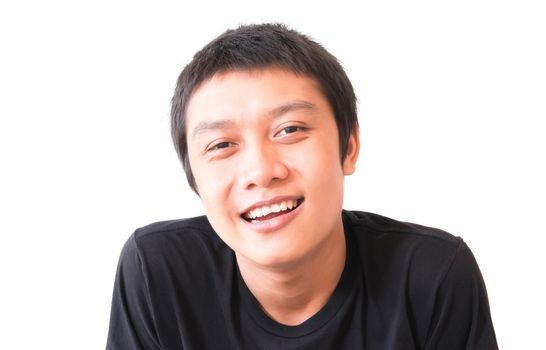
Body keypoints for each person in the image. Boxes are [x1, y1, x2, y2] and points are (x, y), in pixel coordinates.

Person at [106, 23, 498, 349]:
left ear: (349, 147)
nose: (260, 171)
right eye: (222, 144)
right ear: (193, 177)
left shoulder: (431, 276)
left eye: (289, 130)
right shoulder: (158, 272)